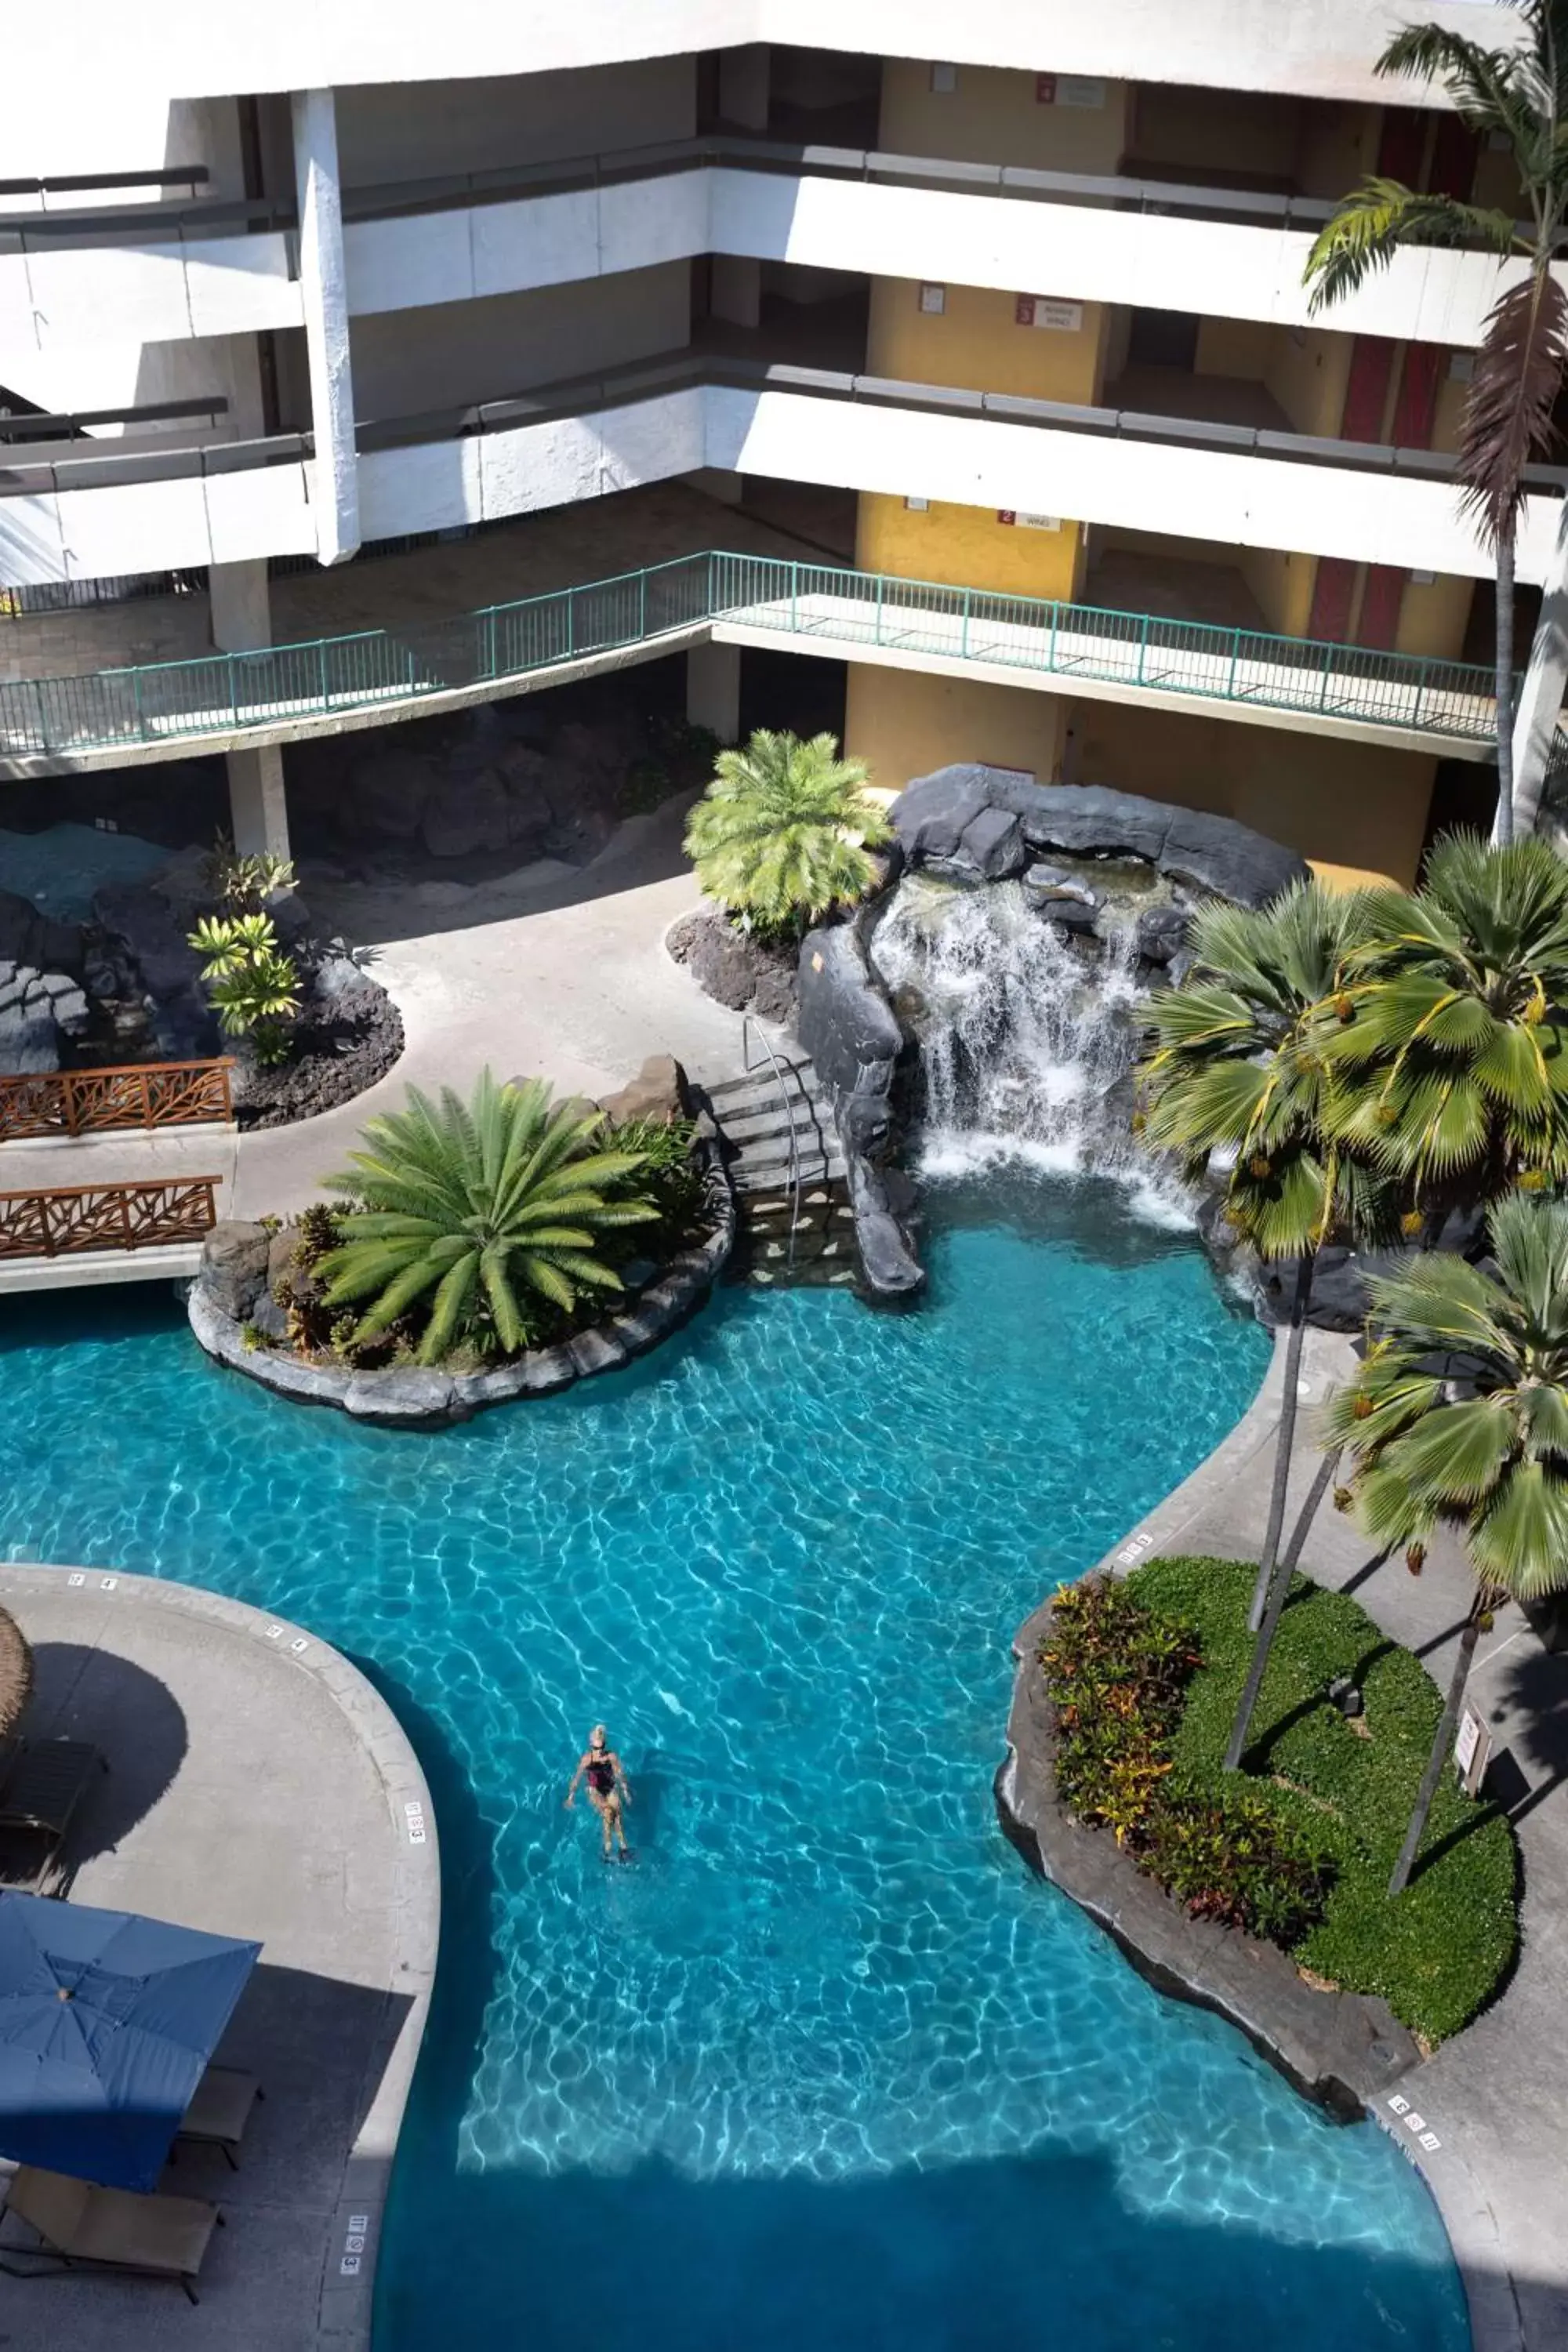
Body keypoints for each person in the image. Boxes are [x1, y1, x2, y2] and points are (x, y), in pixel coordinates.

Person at [565, 1724, 631, 1860]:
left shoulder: (611, 1757)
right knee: (608, 1813)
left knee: (617, 1814)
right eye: (595, 1748)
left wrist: (625, 1791)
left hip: (610, 1788)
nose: (599, 1751)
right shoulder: (586, 1759)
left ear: (605, 1745)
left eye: (601, 1748)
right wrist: (571, 1796)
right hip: (594, 1790)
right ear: (591, 1745)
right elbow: (576, 1779)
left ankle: (624, 1848)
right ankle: (607, 1850)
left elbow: (620, 1774)